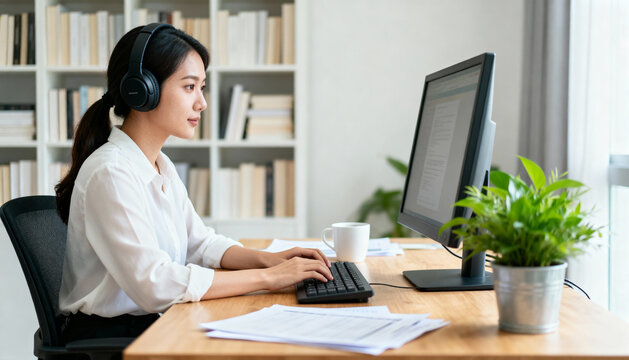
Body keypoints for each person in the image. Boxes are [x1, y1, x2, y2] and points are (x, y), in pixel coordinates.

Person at [54, 24, 332, 344]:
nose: (201, 103)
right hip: (113, 338)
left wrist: (270, 260)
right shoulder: (111, 173)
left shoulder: (159, 164)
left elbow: (201, 243)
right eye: (189, 87)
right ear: (143, 90)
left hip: (150, 323)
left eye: (202, 87)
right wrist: (268, 278)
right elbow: (155, 285)